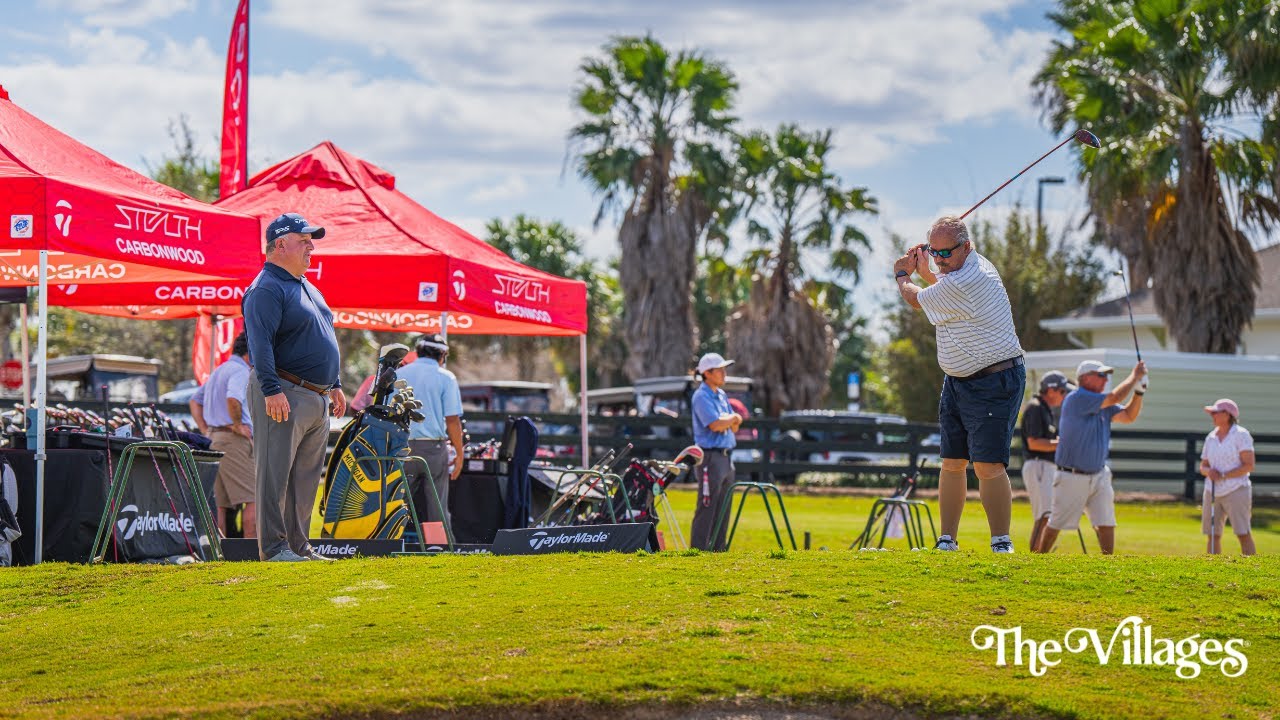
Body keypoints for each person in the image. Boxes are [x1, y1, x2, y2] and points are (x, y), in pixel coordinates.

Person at [893, 216, 1025, 553]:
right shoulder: (962, 267)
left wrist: (902, 273)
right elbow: (939, 282)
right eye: (933, 253)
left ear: (967, 246)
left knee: (988, 465)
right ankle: (946, 540)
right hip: (958, 380)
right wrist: (929, 267)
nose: (939, 261)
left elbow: (916, 298)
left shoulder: (969, 281)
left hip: (995, 379)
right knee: (952, 461)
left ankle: (1000, 541)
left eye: (946, 253)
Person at [242, 212, 347, 562]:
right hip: (283, 392)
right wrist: (271, 390)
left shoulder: (305, 285)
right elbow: (260, 345)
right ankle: (274, 550)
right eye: (304, 240)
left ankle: (300, 548)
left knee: (304, 480)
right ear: (279, 245)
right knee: (275, 476)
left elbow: (320, 337)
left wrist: (334, 384)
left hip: (316, 397)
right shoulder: (266, 288)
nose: (311, 247)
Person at [1035, 359, 1147, 555]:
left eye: (1106, 376)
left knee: (1106, 522)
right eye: (1101, 375)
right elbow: (1114, 397)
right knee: (1056, 523)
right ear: (1085, 378)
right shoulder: (1077, 398)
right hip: (1071, 475)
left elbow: (1129, 416)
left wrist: (1139, 392)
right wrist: (1134, 377)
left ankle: (1108, 564)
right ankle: (1040, 558)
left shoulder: (1102, 403)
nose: (1105, 380)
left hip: (1099, 474)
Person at [396, 334, 464, 538]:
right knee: (437, 508)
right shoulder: (446, 377)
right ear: (442, 354)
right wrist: (459, 454)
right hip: (433, 450)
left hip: (401, 447)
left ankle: (386, 546)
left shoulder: (400, 374)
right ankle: (439, 548)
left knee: (395, 503)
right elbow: (452, 420)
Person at [188, 332, 256, 537]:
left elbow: (194, 400)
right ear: (250, 354)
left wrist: (204, 429)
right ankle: (253, 552)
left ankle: (218, 552)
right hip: (234, 440)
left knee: (220, 504)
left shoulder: (220, 370)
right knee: (254, 499)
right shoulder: (241, 371)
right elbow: (233, 398)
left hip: (214, 439)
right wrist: (237, 425)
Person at [689, 352, 742, 551]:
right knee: (707, 505)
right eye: (719, 370)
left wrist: (731, 420)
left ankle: (719, 550)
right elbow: (715, 424)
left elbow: (734, 425)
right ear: (707, 373)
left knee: (724, 506)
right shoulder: (701, 396)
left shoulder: (720, 394)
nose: (724, 373)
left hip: (727, 456)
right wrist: (733, 418)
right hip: (710, 457)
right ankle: (699, 550)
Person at [1020, 371, 1072, 552]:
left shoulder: (1044, 409)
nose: (1065, 396)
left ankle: (1039, 553)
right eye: (1063, 392)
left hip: (1043, 466)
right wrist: (1063, 443)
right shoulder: (1035, 408)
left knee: (1046, 514)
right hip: (1038, 465)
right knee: (1044, 515)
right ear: (1051, 391)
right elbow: (1034, 443)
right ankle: (1035, 556)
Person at [1199, 399, 1256, 556]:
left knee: (1242, 532)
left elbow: (1249, 465)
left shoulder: (1241, 435)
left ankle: (1253, 569)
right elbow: (1203, 466)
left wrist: (1223, 475)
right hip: (1212, 490)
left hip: (1237, 489)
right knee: (1212, 534)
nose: (1212, 416)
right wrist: (1208, 472)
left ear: (1227, 414)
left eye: (1215, 412)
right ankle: (1213, 569)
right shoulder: (1210, 437)